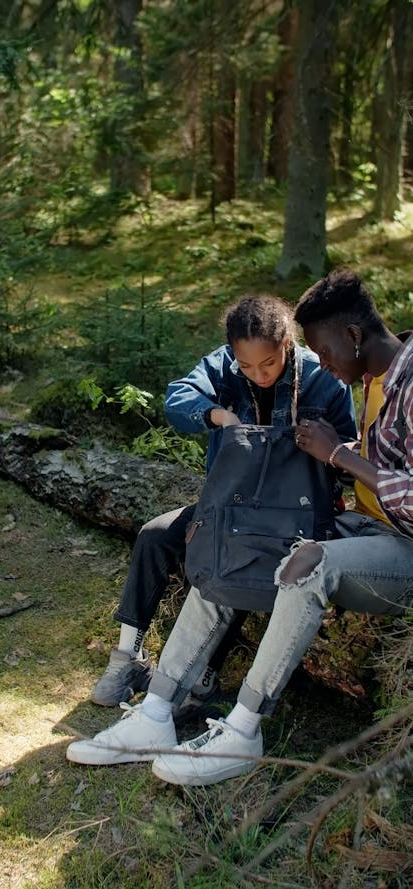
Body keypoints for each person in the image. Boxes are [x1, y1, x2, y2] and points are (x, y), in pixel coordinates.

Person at [66, 270, 412, 785]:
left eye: (322, 349)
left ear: (353, 335)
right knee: (237, 545)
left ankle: (244, 729)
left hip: (400, 546)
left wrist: (338, 453)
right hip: (359, 524)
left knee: (307, 566)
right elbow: (383, 464)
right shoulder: (373, 379)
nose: (325, 365)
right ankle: (157, 713)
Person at [90, 293, 356, 717]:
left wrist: (327, 452)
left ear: (287, 343)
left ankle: (202, 677)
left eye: (268, 363)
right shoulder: (223, 366)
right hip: (227, 507)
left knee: (239, 558)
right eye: (246, 364)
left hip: (295, 518)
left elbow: (349, 453)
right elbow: (178, 400)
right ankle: (127, 659)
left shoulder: (324, 380)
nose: (258, 374)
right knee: (155, 536)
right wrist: (218, 416)